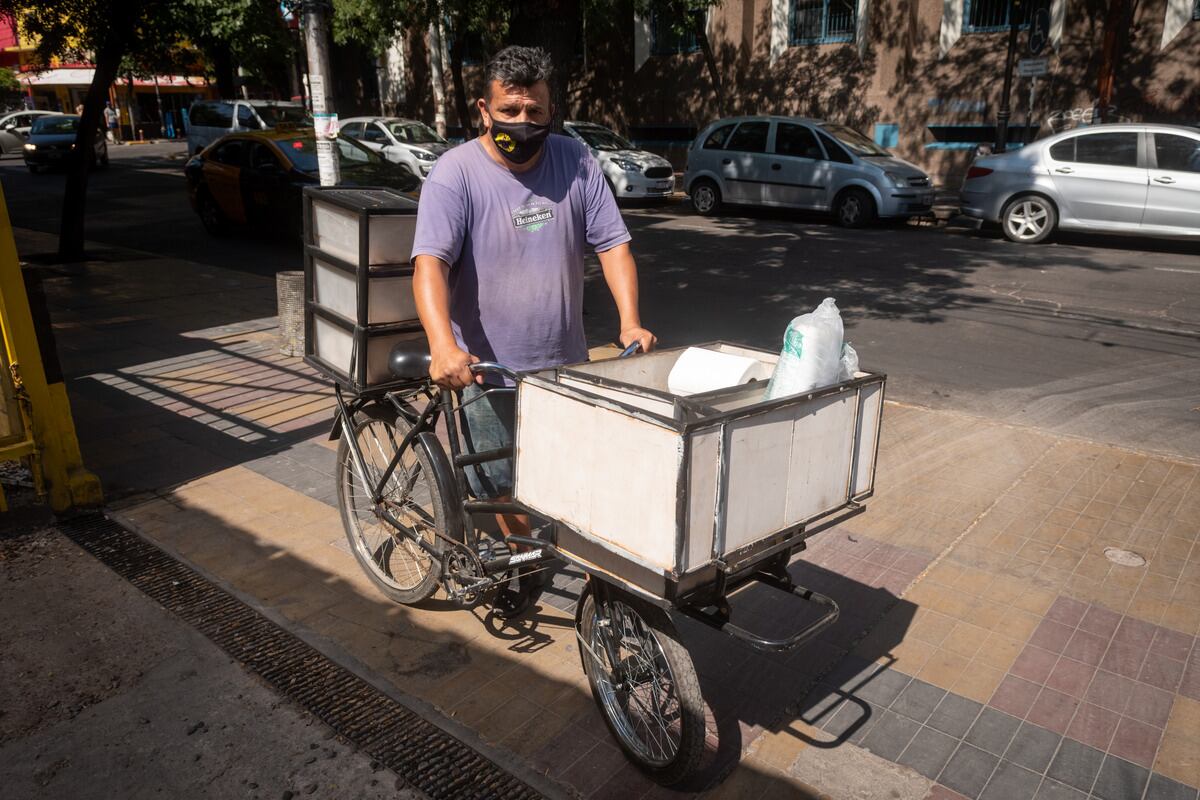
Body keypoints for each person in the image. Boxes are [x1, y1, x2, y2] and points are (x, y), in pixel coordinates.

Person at [410, 45, 656, 616]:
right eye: (511, 111)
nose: (523, 124)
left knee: (563, 478)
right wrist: (444, 346)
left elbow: (614, 245)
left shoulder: (575, 160)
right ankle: (517, 570)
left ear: (551, 110)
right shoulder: (455, 175)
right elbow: (429, 266)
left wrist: (630, 322)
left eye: (535, 112)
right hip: (483, 371)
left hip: (562, 364)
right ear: (484, 110)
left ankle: (531, 558)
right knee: (499, 484)